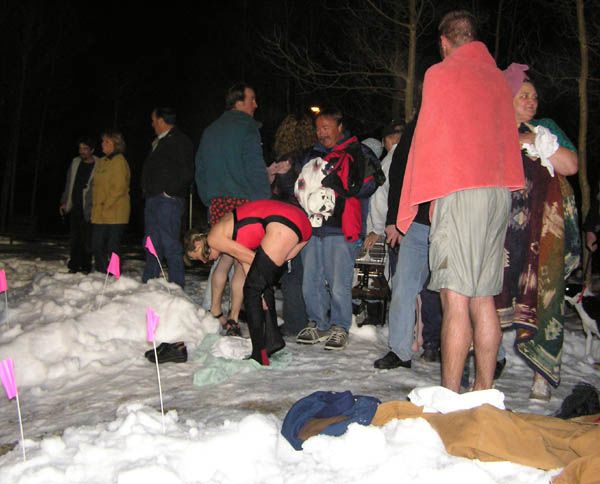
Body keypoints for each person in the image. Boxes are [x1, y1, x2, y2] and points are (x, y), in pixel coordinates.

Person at [397, 11, 524, 392]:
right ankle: (483, 392)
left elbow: (427, 138)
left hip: (461, 192)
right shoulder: (498, 81)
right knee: (483, 297)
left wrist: (415, 195)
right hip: (498, 193)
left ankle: (451, 398)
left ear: (444, 42)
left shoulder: (440, 74)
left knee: (455, 298)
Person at [496, 63, 579, 400]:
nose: (531, 101)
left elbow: (570, 166)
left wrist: (534, 139)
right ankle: (486, 368)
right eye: (524, 95)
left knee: (542, 299)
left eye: (534, 97)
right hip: (500, 230)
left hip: (540, 232)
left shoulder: (545, 127)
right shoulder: (493, 127)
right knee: (490, 299)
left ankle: (540, 378)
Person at [288, 108, 384, 350]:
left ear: (340, 127)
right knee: (311, 279)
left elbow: (370, 185)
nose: (321, 133)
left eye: (326, 127)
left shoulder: (358, 152)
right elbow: (297, 186)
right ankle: (317, 323)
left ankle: (340, 326)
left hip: (341, 228)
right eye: (318, 128)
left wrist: (343, 185)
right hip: (312, 227)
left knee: (338, 281)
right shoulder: (312, 154)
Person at [186, 199, 312, 365]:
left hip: (283, 222)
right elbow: (251, 266)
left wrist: (257, 291)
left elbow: (255, 261)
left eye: (201, 257)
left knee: (251, 291)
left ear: (197, 244)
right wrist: (261, 292)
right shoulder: (229, 234)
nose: (204, 262)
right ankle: (273, 341)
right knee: (258, 286)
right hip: (300, 224)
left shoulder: (214, 238)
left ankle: (259, 353)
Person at [195, 83, 273, 335]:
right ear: (238, 102)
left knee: (224, 260)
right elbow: (254, 168)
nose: (255, 104)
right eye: (252, 99)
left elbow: (201, 169)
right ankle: (234, 317)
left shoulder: (210, 130)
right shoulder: (247, 128)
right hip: (243, 206)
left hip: (218, 204)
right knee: (241, 264)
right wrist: (264, 203)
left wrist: (210, 199)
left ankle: (215, 311)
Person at [271, 114, 317, 336]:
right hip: (309, 221)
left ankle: (295, 322)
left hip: (290, 222)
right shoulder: (312, 157)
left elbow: (287, 192)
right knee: (305, 272)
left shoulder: (287, 161)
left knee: (293, 274)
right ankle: (309, 318)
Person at [141, 107, 194, 289]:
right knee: (151, 241)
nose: (152, 124)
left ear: (162, 120)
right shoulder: (158, 142)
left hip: (167, 201)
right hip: (153, 199)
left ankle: (176, 285)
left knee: (169, 242)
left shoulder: (180, 140)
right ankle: (150, 282)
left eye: (153, 120)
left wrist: (169, 192)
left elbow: (187, 171)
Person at [91, 130, 131, 274]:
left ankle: (113, 274)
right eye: (103, 141)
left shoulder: (119, 161)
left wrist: (106, 204)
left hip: (115, 212)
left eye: (107, 142)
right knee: (96, 244)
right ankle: (101, 272)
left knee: (112, 246)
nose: (103, 144)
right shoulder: (101, 161)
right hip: (100, 212)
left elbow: (119, 187)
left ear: (116, 144)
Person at [59, 137, 97, 273]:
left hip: (89, 207)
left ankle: (86, 266)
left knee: (87, 239)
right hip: (75, 205)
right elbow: (68, 183)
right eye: (80, 148)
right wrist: (64, 202)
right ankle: (74, 265)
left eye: (85, 149)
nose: (82, 151)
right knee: (74, 238)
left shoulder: (99, 164)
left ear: (92, 150)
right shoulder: (75, 162)